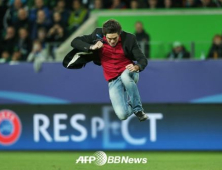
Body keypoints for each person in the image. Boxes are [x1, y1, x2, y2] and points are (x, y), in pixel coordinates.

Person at [63, 19, 148, 121]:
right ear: (104, 35)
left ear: (119, 33)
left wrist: (136, 67)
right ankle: (132, 104)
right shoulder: (97, 36)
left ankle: (138, 110)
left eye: (115, 38)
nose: (112, 41)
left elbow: (142, 59)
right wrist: (91, 47)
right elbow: (74, 41)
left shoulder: (129, 38)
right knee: (122, 115)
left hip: (129, 71)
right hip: (113, 80)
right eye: (109, 38)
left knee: (125, 77)